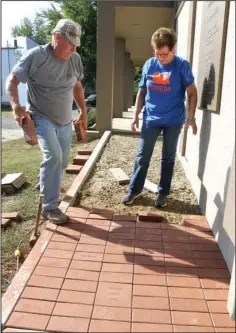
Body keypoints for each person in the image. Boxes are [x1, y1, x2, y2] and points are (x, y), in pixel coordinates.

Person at [6, 19, 87, 224]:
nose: (74, 48)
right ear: (57, 37)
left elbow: (76, 86)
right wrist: (16, 105)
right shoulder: (36, 57)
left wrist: (83, 110)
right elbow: (12, 80)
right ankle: (50, 207)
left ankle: (46, 184)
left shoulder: (75, 59)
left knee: (61, 162)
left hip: (65, 120)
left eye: (76, 44)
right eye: (70, 43)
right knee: (54, 157)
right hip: (41, 117)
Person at [122, 27, 197, 208]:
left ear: (173, 49)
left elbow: (192, 93)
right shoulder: (149, 64)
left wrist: (191, 117)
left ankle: (163, 192)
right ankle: (134, 190)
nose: (160, 58)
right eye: (157, 53)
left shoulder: (181, 66)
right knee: (142, 156)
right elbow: (142, 91)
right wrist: (136, 116)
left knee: (168, 157)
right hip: (151, 118)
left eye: (164, 54)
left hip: (173, 119)